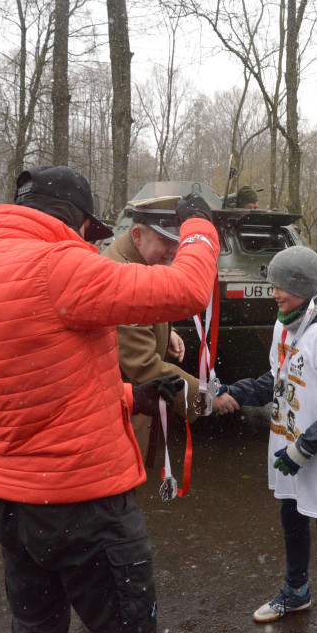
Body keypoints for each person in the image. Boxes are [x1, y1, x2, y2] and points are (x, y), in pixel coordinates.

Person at [0, 166, 220, 633]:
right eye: (90, 232)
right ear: (72, 219)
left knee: (36, 627)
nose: (92, 244)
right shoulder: (56, 265)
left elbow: (33, 389)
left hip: (15, 504)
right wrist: (199, 228)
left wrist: (131, 396)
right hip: (84, 506)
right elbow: (187, 290)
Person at [212, 246, 317, 633]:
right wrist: (235, 391)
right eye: (273, 284)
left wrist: (304, 448)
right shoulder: (284, 324)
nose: (275, 293)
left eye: (283, 287)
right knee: (292, 518)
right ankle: (296, 591)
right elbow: (275, 383)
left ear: (306, 288)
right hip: (286, 450)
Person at [101, 197, 223, 471]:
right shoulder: (121, 276)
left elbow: (143, 312)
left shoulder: (133, 263)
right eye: (165, 241)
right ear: (137, 235)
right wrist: (205, 396)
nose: (174, 251)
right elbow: (144, 367)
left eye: (177, 241)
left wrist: (168, 333)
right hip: (118, 419)